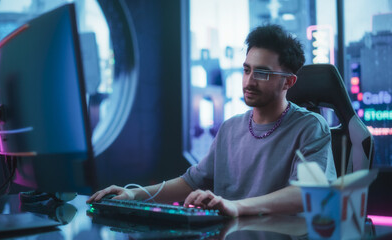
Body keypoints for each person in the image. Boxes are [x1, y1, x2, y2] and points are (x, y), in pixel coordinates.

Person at [87, 24, 337, 217]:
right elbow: (190, 182)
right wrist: (134, 194)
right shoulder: (230, 128)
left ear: (288, 81)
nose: (249, 81)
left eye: (261, 73)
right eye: (247, 69)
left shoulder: (310, 127)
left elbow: (308, 193)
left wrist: (236, 206)